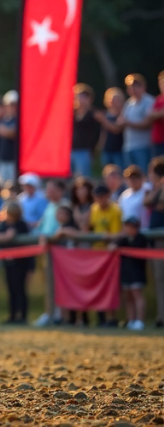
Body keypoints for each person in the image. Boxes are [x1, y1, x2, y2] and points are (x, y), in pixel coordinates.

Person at [0, 202, 31, 324]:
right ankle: (12, 316)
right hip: (8, 263)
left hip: (21, 263)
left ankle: (22, 316)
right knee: (11, 290)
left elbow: (8, 237)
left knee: (20, 290)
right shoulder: (3, 225)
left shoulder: (21, 224)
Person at [32, 180, 65, 327]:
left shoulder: (64, 206)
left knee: (60, 283)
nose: (48, 191)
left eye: (52, 189)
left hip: (60, 251)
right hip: (48, 251)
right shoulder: (49, 206)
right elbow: (42, 226)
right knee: (49, 282)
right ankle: (50, 311)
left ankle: (60, 314)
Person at [90, 184, 122, 327]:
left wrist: (108, 238)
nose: (98, 200)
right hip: (97, 252)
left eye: (101, 197)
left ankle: (112, 318)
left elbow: (116, 233)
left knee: (110, 286)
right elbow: (92, 227)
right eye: (96, 197)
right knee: (98, 286)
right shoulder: (94, 208)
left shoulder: (115, 210)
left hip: (110, 254)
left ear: (107, 196)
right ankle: (100, 317)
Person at [119, 73, 156, 173]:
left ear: (143, 86)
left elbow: (147, 124)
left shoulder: (149, 101)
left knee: (143, 175)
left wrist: (128, 123)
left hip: (143, 146)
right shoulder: (129, 103)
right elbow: (121, 120)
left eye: (136, 86)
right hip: (128, 146)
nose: (134, 89)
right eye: (131, 87)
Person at [116, 217, 148, 330]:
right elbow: (114, 246)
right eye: (127, 226)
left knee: (137, 295)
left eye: (131, 226)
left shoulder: (141, 239)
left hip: (137, 272)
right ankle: (131, 320)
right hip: (126, 272)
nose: (128, 229)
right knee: (128, 297)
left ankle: (140, 321)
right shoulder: (123, 239)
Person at [145, 156, 164, 327]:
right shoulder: (156, 188)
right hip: (156, 240)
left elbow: (158, 204)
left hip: (161, 239)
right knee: (159, 279)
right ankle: (161, 316)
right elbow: (148, 202)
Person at [72, 83, 100, 178]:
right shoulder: (72, 114)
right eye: (78, 96)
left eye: (84, 96)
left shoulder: (94, 114)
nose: (80, 99)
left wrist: (95, 150)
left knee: (84, 179)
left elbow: (99, 133)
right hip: (71, 150)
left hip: (85, 151)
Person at [97, 87, 126, 168]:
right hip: (107, 150)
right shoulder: (106, 114)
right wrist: (100, 146)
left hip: (119, 150)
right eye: (111, 99)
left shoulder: (123, 114)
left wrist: (103, 120)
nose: (113, 102)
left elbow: (116, 129)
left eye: (116, 100)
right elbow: (103, 133)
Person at [0, 90, 19, 182]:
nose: (13, 107)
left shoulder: (20, 119)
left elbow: (16, 133)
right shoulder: (4, 120)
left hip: (14, 161)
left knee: (13, 187)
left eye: (15, 104)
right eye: (10, 104)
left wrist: (7, 131)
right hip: (2, 160)